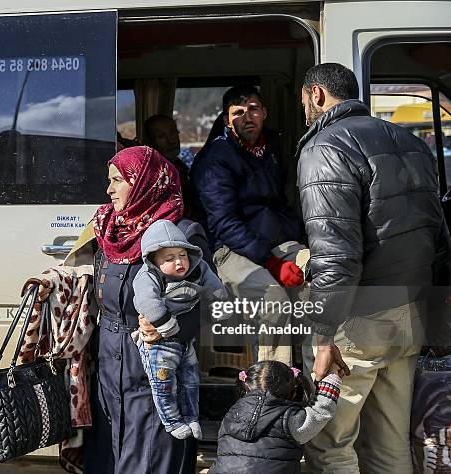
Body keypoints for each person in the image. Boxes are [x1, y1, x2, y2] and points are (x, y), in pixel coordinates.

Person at [297, 62, 451, 473]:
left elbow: (336, 254)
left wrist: (324, 333)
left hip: (359, 318)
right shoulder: (409, 142)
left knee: (331, 444)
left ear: (316, 95)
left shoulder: (325, 147)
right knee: (390, 441)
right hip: (410, 310)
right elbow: (438, 235)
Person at [82, 145, 209, 473]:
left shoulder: (181, 233)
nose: (109, 189)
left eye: (117, 180)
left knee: (150, 457)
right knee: (109, 459)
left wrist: (169, 325)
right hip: (109, 367)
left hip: (155, 366)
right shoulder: (108, 227)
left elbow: (200, 301)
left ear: (143, 182)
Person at [191, 85, 306, 364]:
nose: (247, 117)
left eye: (253, 109)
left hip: (277, 242)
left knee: (319, 275)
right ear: (227, 119)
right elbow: (224, 223)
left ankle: (315, 381)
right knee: (273, 300)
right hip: (232, 249)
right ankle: (272, 391)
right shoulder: (214, 159)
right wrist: (271, 262)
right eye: (238, 112)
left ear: (264, 112)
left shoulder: (274, 147)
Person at [132, 219, 226, 440]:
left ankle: (192, 418)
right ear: (154, 261)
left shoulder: (198, 268)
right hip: (159, 343)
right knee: (163, 384)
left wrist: (221, 303)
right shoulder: (148, 276)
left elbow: (214, 286)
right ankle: (172, 421)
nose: (179, 262)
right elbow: (147, 302)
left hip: (185, 342)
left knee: (191, 381)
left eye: (182, 255)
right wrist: (166, 325)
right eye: (169, 258)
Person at [209, 360, 342, 474]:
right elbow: (319, 414)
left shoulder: (231, 414)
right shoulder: (289, 419)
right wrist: (331, 382)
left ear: (245, 387)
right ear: (293, 391)